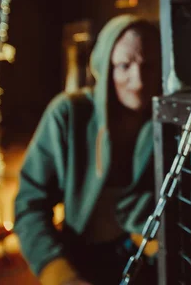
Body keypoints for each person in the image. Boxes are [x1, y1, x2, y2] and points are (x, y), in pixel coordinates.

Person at [14, 15, 162, 285]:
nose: (138, 81)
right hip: (82, 258)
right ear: (105, 67)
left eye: (149, 66)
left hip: (147, 259)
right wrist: (57, 272)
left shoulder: (168, 124)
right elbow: (30, 205)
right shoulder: (68, 115)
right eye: (124, 66)